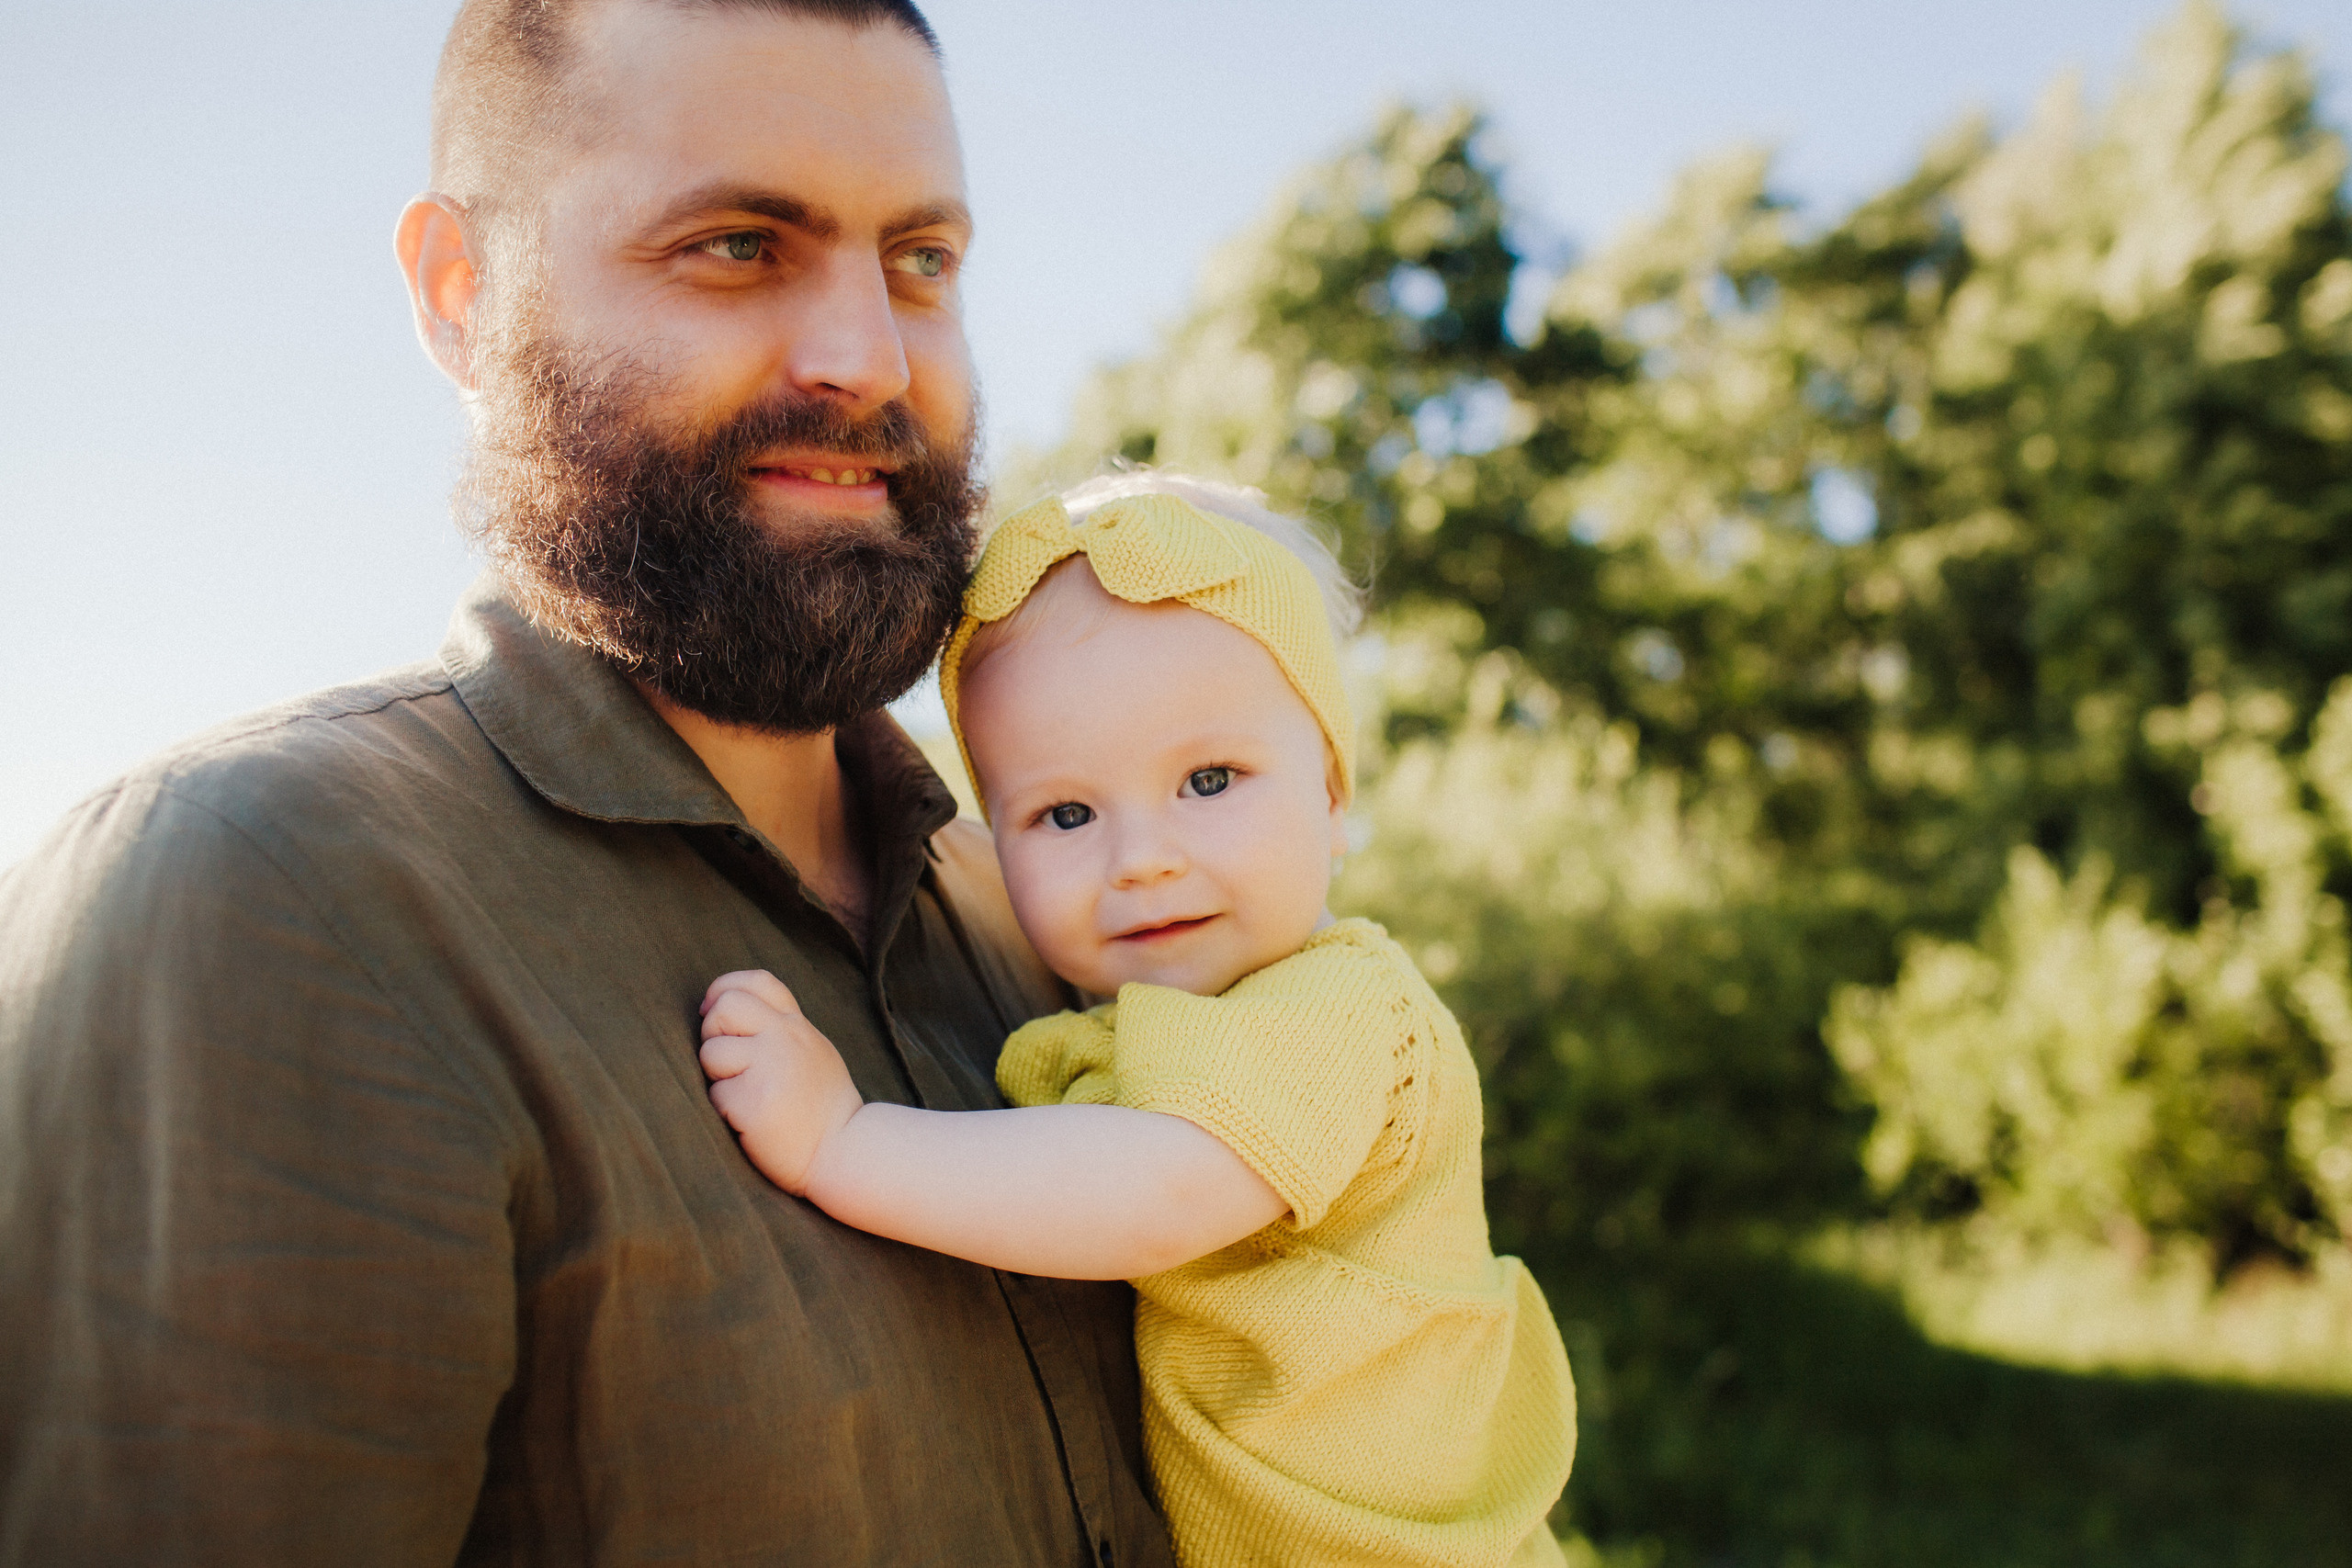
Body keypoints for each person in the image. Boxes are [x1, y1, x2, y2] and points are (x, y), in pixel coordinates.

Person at [0, 3, 1178, 1562]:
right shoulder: (259, 895)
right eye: (742, 246)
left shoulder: (1053, 912)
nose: (867, 359)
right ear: (458, 294)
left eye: (923, 261)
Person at [698, 474, 1578, 1567]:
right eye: (1064, 813)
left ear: (1333, 796)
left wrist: (845, 1140)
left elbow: (1149, 1188)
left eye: (1210, 779)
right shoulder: (1132, 1017)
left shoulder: (1346, 1012)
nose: (1144, 858)